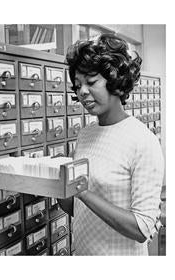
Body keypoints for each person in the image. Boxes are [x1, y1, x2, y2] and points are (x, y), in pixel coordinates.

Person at [59, 32, 164, 255]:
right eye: (77, 85)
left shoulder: (142, 140)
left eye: (91, 82)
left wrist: (84, 193)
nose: (83, 92)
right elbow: (79, 210)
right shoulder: (85, 135)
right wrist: (57, 187)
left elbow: (142, 228)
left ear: (116, 80)